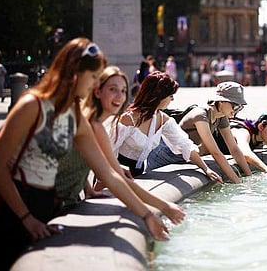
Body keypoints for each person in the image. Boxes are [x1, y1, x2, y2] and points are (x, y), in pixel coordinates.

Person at [0, 38, 169, 271]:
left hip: (45, 205)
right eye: (93, 76)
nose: (94, 83)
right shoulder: (32, 105)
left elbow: (108, 174)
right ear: (74, 73)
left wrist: (147, 215)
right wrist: (25, 217)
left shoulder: (75, 116)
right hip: (8, 210)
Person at [55, 65, 185, 225]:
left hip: (66, 202)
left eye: (124, 91)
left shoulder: (96, 126)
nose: (120, 96)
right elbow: (112, 177)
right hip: (46, 205)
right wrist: (159, 209)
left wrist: (87, 187)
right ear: (97, 91)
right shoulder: (85, 123)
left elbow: (92, 165)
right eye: (113, 89)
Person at [109, 71, 222, 183]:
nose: (172, 99)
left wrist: (206, 169)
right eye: (170, 95)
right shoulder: (128, 118)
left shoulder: (163, 119)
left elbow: (184, 144)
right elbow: (108, 150)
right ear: (158, 96)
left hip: (139, 173)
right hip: (115, 171)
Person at [147, 81, 253, 184]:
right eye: (235, 106)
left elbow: (234, 149)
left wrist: (249, 177)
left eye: (240, 107)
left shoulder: (221, 117)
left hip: (185, 157)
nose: (237, 110)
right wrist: (238, 183)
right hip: (162, 155)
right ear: (221, 102)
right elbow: (215, 152)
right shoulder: (200, 115)